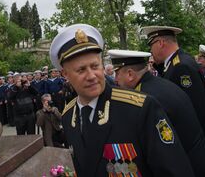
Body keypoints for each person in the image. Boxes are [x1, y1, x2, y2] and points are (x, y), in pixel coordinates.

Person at [51, 24, 195, 177]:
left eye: (95, 66)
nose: (92, 75)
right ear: (65, 74)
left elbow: (175, 170)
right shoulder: (68, 115)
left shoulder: (140, 108)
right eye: (81, 70)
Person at [109, 49, 205, 177]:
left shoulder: (146, 100)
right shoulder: (161, 85)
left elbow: (163, 153)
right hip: (202, 163)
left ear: (130, 74)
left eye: (117, 73)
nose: (116, 79)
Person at [141, 25, 205, 160]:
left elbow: (196, 109)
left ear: (161, 43)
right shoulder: (175, 63)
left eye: (151, 46)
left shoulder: (181, 66)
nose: (151, 51)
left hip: (197, 145)